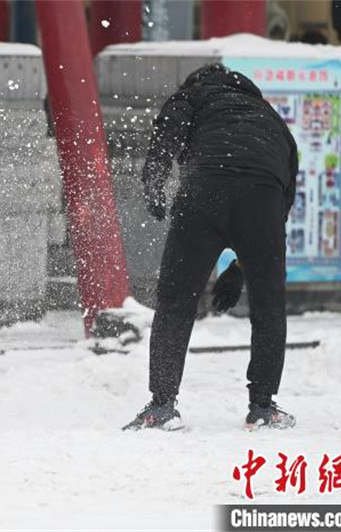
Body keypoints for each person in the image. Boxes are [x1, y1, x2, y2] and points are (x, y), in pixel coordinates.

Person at [123, 63, 298, 431]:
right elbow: (285, 195)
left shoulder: (194, 95)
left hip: (204, 190)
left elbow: (166, 132)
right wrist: (240, 270)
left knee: (175, 302)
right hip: (262, 200)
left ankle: (162, 405)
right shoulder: (269, 117)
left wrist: (153, 180)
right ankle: (264, 407)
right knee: (269, 308)